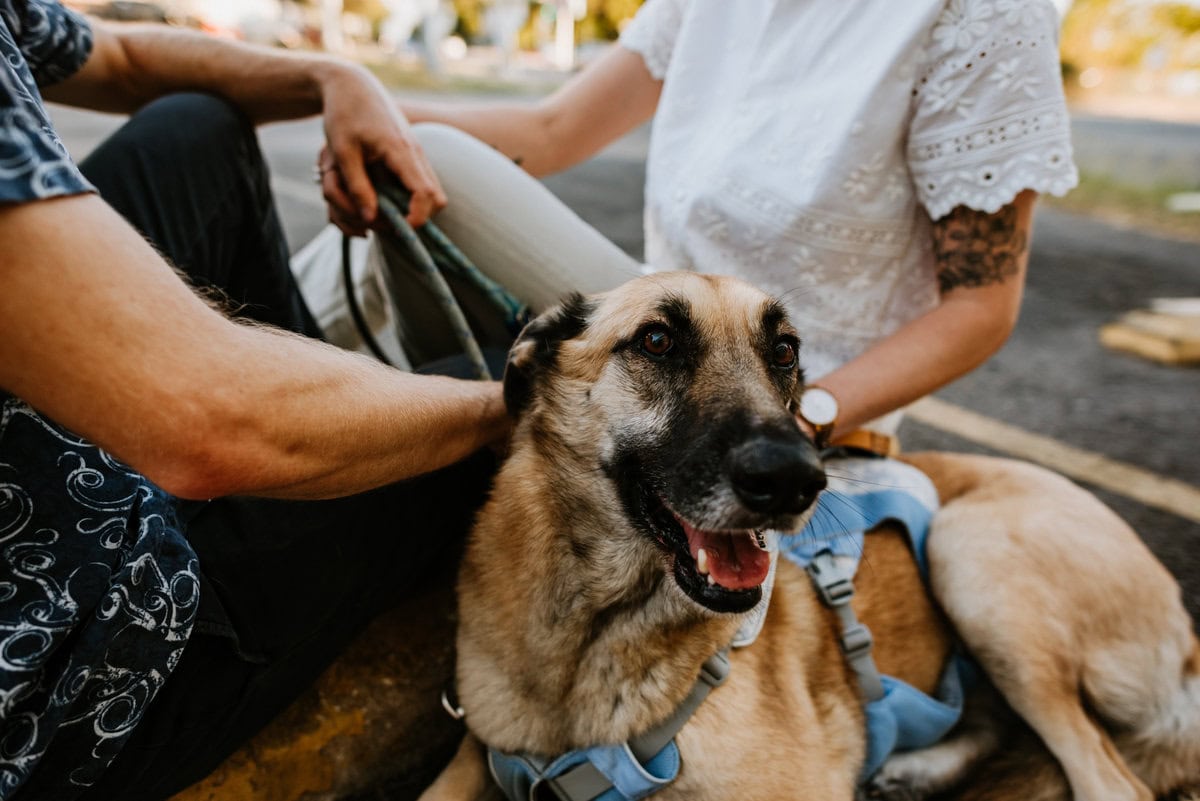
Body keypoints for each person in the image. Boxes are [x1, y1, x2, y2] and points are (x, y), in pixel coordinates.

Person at [0, 2, 508, 799]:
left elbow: (123, 58)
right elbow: (210, 425)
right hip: (48, 670)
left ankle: (319, 412)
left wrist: (332, 77)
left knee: (195, 130)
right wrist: (499, 404)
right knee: (485, 426)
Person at [324, 0, 1079, 453]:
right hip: (659, 326)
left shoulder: (984, 15)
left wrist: (802, 417)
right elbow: (552, 129)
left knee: (435, 170)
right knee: (388, 184)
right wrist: (332, 91)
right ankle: (269, 384)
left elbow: (981, 306)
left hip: (788, 400)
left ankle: (317, 400)